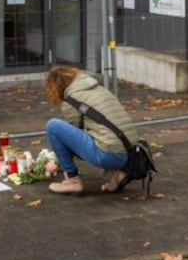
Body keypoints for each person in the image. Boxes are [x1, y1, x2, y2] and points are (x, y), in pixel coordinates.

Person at [43, 66, 137, 196]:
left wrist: (55, 161)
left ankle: (73, 181)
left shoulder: (71, 100)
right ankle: (117, 174)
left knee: (53, 126)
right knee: (103, 133)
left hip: (109, 155)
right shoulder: (99, 89)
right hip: (131, 155)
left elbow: (70, 138)